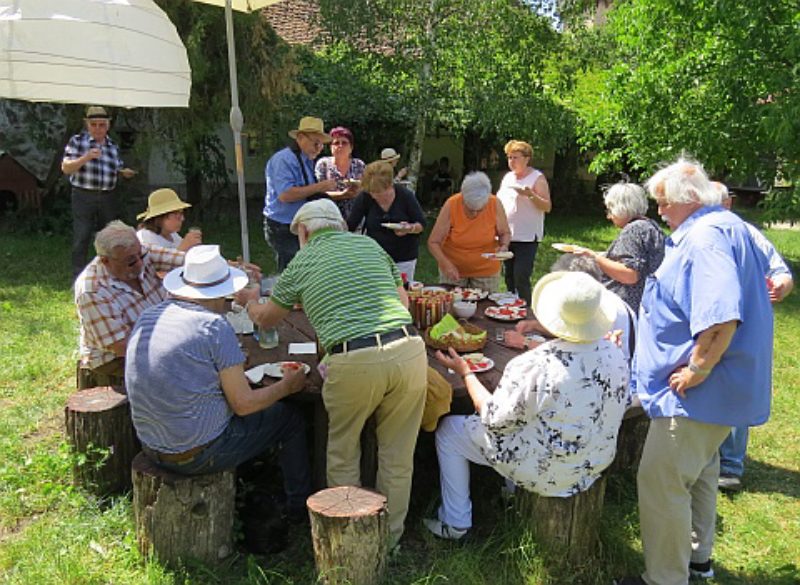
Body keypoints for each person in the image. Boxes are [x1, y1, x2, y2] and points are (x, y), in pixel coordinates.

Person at [614, 158, 774, 585]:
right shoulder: (728, 225)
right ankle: (697, 561)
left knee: (662, 483)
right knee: (701, 474)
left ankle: (664, 578)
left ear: (687, 199)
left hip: (695, 395)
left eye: (664, 203)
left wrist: (697, 370)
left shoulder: (703, 239)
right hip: (720, 395)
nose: (660, 212)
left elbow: (721, 318)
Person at [238, 199, 427, 549]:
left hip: (354, 359)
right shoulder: (370, 244)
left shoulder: (303, 260)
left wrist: (250, 299)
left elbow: (265, 318)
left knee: (343, 453)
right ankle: (390, 541)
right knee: (398, 458)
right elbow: (402, 306)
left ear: (305, 231)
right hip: (409, 350)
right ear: (339, 225)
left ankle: (350, 538)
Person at [425, 271, 629, 540]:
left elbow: (493, 418)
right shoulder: (614, 352)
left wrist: (466, 373)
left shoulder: (536, 363)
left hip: (548, 470)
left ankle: (456, 523)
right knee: (538, 416)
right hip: (593, 461)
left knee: (449, 430)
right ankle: (509, 493)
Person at [125, 245, 312, 522]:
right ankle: (298, 507)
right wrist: (287, 386)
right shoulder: (213, 326)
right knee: (291, 419)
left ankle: (257, 476)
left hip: (151, 442)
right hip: (195, 452)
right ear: (223, 290)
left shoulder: (150, 314)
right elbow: (244, 405)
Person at [712, 181, 793, 493]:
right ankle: (706, 455)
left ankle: (730, 463)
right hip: (706, 323)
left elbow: (780, 272)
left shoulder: (747, 234)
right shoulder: (693, 233)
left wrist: (781, 286)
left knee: (737, 384)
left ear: (728, 205)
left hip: (742, 323)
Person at [74, 221, 184, 388]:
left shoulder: (137, 253)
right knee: (184, 373)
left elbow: (185, 261)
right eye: (131, 262)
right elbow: (123, 346)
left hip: (161, 337)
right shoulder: (92, 291)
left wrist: (225, 270)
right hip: (117, 359)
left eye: (141, 256)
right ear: (105, 261)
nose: (140, 264)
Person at [506, 253, 637, 364]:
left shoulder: (607, 312)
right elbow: (574, 331)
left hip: (604, 372)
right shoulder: (592, 300)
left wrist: (526, 342)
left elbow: (576, 357)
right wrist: (534, 326)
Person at [62, 106, 137, 278]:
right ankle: (79, 278)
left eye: (101, 125)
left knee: (109, 238)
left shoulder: (112, 146)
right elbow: (66, 168)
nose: (97, 128)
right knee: (82, 237)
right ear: (87, 125)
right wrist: (86, 157)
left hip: (107, 196)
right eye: (93, 124)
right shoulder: (77, 141)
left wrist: (123, 172)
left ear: (107, 126)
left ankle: (106, 276)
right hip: (83, 194)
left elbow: (116, 168)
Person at [572, 182, 665, 314]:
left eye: (610, 210)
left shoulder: (633, 230)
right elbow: (639, 260)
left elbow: (630, 275)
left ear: (621, 208)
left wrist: (594, 257)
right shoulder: (650, 226)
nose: (608, 216)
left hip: (626, 309)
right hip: (646, 305)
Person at [263, 116, 338, 270]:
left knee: (305, 269)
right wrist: (320, 187)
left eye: (321, 145)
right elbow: (286, 195)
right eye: (315, 143)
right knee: (293, 270)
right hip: (282, 226)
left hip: (300, 224)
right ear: (300, 137)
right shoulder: (284, 160)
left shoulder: (306, 159)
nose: (318, 148)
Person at [427, 171, 511, 292]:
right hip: (454, 270)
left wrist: (503, 247)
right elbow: (433, 242)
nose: (475, 213)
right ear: (463, 197)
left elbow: (505, 233)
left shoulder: (495, 203)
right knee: (453, 308)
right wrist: (445, 264)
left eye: (480, 210)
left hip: (486, 271)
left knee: (485, 308)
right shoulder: (452, 204)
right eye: (471, 209)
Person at [347, 160, 426, 280]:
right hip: (375, 257)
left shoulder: (405, 196)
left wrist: (410, 228)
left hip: (404, 257)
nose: (373, 195)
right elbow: (350, 225)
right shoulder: (365, 197)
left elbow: (421, 224)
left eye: (378, 192)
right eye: (371, 192)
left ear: (389, 185)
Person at [496, 140, 552, 304]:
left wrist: (530, 195)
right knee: (508, 275)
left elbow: (547, 206)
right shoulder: (507, 178)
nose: (511, 161)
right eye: (509, 157)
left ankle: (526, 308)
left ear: (527, 158)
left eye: (515, 157)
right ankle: (510, 306)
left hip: (527, 236)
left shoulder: (537, 178)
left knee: (521, 275)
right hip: (507, 235)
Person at [314, 126, 365, 219]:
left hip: (356, 217)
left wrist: (358, 190)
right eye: (336, 143)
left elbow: (365, 189)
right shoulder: (323, 164)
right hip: (329, 217)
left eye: (344, 143)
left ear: (351, 148)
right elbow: (318, 194)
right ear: (331, 147)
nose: (340, 146)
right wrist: (342, 195)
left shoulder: (359, 165)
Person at [136, 188, 202, 251]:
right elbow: (158, 260)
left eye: (181, 214)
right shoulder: (146, 238)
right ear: (161, 217)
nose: (182, 219)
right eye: (177, 215)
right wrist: (183, 248)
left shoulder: (173, 236)